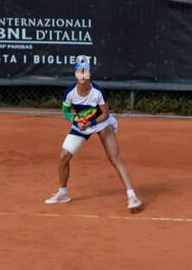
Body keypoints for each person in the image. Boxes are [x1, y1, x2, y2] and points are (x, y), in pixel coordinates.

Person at [44, 57, 142, 213]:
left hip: (100, 123)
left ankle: (132, 197)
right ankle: (62, 194)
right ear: (75, 73)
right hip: (81, 125)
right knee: (64, 157)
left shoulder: (98, 92)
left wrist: (90, 123)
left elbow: (105, 113)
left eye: (85, 71)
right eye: (79, 71)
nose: (82, 75)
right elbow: (66, 113)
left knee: (114, 158)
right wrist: (76, 120)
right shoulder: (69, 93)